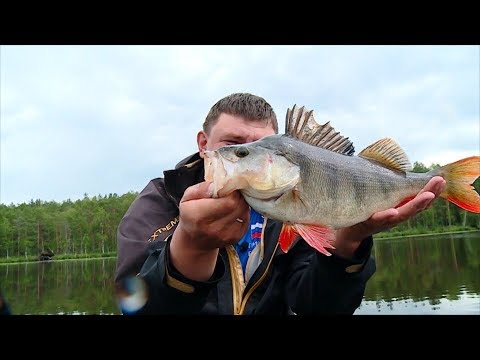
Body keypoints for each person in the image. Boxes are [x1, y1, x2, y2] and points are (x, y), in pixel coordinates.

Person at [115, 93, 446, 315]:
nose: (246, 158)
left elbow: (316, 306)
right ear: (205, 144)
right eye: (234, 147)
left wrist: (347, 244)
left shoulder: (288, 209)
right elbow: (133, 303)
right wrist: (189, 250)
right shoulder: (158, 202)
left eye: (260, 149)